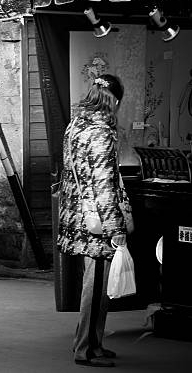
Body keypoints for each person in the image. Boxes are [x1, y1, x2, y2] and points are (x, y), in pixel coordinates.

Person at [57, 74, 127, 368]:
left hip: (77, 214)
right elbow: (103, 185)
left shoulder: (76, 125)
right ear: (115, 100)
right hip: (96, 221)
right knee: (96, 285)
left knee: (96, 283)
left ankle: (94, 344)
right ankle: (84, 349)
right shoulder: (100, 133)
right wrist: (116, 230)